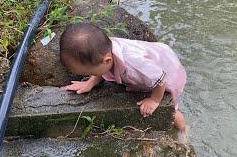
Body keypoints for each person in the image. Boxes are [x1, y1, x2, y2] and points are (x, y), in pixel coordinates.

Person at [60, 23, 188, 142]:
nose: (89, 76)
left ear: (107, 61)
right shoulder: (100, 48)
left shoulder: (134, 64)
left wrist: (154, 99)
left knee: (172, 112)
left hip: (167, 72)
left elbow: (161, 78)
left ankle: (184, 129)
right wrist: (91, 82)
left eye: (89, 73)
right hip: (152, 60)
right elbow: (99, 68)